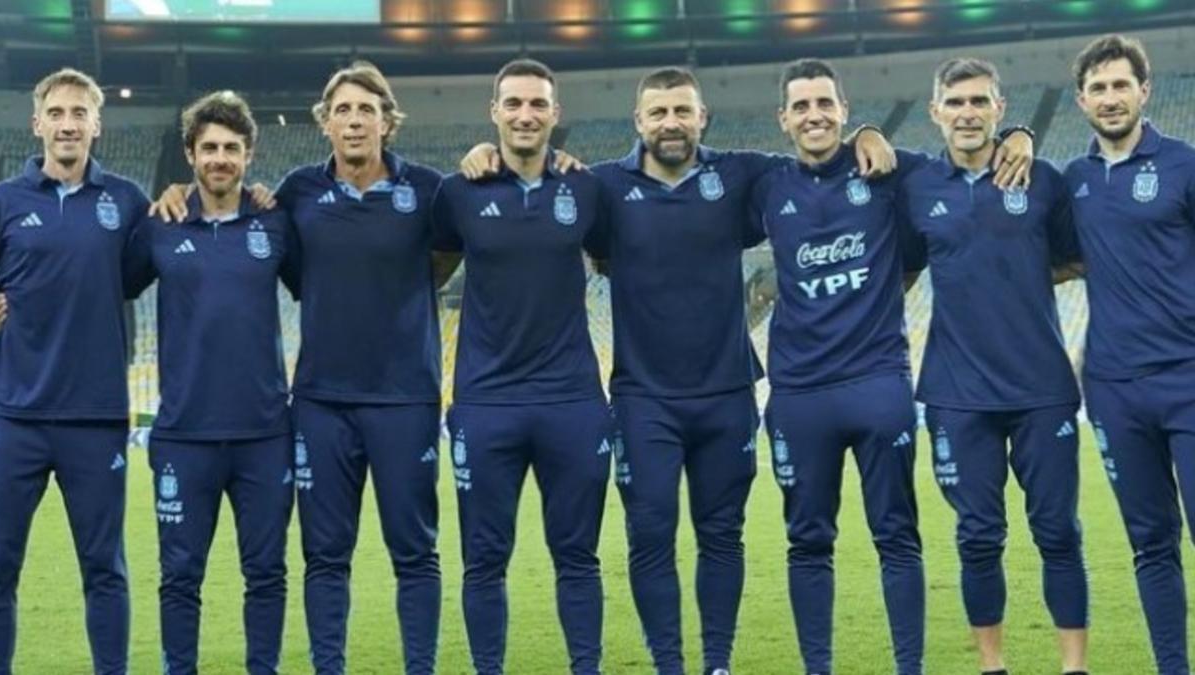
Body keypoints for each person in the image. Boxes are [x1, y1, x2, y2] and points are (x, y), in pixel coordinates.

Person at [461, 65, 898, 675]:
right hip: (644, 399)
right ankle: (670, 664)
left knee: (723, 536)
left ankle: (716, 663)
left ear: (702, 118)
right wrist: (486, 153)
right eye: (659, 113)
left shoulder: (743, 174)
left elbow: (818, 151)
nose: (671, 123)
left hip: (726, 393)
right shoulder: (600, 187)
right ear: (638, 122)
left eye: (682, 112)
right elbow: (530, 188)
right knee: (651, 536)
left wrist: (869, 133)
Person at [154, 61, 454, 675]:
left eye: (366, 109)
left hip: (406, 399)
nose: (354, 120)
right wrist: (176, 196)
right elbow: (276, 265)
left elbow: (449, 253)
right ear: (324, 122)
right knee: (324, 557)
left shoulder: (428, 190)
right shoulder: (294, 194)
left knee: (415, 553)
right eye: (341, 109)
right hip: (321, 404)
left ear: (387, 121)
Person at [749, 58, 1034, 675]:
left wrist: (1021, 135)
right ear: (782, 120)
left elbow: (971, 158)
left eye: (825, 103)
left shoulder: (889, 170)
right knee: (808, 544)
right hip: (797, 394)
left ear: (845, 112)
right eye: (801, 106)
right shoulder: (766, 185)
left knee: (897, 537)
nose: (814, 115)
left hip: (879, 384)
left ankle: (911, 669)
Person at [899, 58, 1088, 675]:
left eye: (980, 101)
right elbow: (899, 271)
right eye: (955, 102)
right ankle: (992, 667)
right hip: (957, 394)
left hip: (1042, 389)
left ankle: (1074, 667)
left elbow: (1076, 259)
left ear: (1001, 109)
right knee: (979, 538)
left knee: (1058, 531)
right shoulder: (919, 188)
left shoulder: (1044, 181)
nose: (968, 113)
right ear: (936, 112)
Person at [433, 58, 613, 675]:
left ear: (555, 115)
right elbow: (426, 273)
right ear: (495, 112)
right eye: (513, 104)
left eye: (537, 103)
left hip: (573, 402)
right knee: (484, 559)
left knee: (579, 556)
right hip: (485, 404)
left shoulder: (585, 188)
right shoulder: (458, 192)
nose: (525, 114)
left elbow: (623, 258)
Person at [124, 91, 298, 675]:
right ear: (189, 155)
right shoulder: (160, 225)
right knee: (179, 578)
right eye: (209, 149)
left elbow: (326, 286)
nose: (219, 159)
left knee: (267, 573)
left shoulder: (274, 221)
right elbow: (105, 286)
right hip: (183, 433)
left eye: (231, 148)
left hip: (265, 433)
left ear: (248, 155)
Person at [0, 68, 149, 675]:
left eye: (79, 113)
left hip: (97, 416)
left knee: (104, 568)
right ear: (37, 123)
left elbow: (166, 261)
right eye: (56, 112)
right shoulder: (4, 201)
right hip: (14, 418)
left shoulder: (129, 201)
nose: (67, 123)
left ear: (96, 125)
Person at [1063, 34, 1195, 675]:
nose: (1110, 98)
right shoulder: (1073, 183)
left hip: (1189, 378)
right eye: (1098, 87)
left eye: (1121, 85)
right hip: (1113, 389)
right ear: (1081, 99)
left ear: (1145, 90)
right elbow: (1041, 258)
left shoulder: (1185, 166)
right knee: (1151, 544)